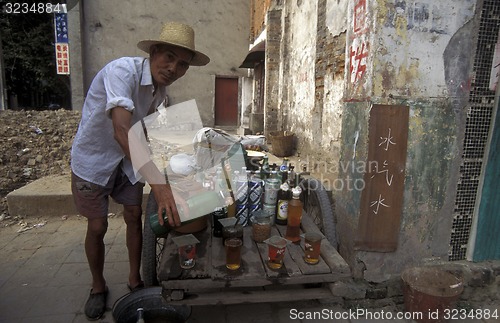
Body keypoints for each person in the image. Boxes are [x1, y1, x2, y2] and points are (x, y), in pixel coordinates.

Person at [70, 22, 210, 321]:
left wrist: (183, 167)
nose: (173, 68)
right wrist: (159, 187)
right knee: (97, 227)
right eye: (168, 57)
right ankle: (97, 287)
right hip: (93, 160)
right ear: (154, 51)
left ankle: (135, 281)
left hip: (126, 162)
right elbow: (122, 130)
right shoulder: (122, 72)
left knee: (134, 217)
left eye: (182, 64)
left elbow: (149, 135)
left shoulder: (159, 94)